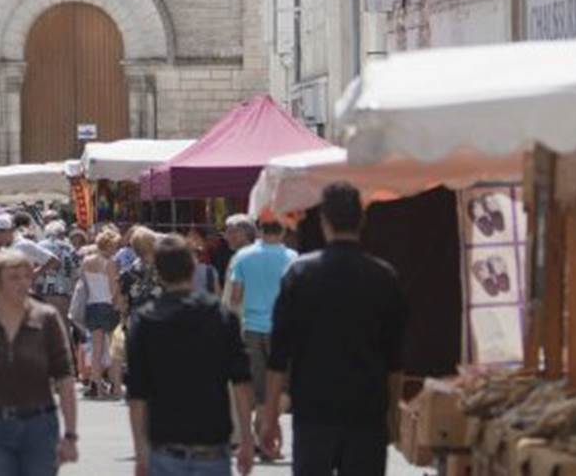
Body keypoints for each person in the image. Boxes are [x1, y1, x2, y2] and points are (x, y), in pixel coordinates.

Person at [260, 183, 409, 476]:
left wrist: (270, 415)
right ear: (362, 219)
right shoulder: (384, 277)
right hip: (367, 412)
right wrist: (392, 415)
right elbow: (395, 359)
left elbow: (279, 355)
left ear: (324, 220)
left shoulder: (300, 275)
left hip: (313, 411)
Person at [126, 236, 255, 476]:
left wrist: (140, 451)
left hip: (165, 448)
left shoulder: (145, 321)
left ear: (159, 273)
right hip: (212, 446)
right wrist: (247, 438)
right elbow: (241, 382)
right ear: (193, 267)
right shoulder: (220, 316)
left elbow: (137, 393)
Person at [0, 248, 79, 476]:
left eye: (27, 275)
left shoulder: (47, 319)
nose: (23, 283)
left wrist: (70, 436)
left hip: (39, 427)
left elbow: (65, 379)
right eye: (14, 277)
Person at [227, 219, 298, 444]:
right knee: (284, 385)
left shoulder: (243, 257)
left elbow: (235, 297)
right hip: (283, 329)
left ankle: (262, 423)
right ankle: (270, 421)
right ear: (284, 230)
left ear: (259, 230)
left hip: (252, 328)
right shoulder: (292, 259)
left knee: (258, 386)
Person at [78, 229, 123, 398]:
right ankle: (116, 386)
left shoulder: (86, 261)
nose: (116, 249)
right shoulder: (109, 263)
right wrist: (119, 301)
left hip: (92, 305)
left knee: (96, 349)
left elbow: (84, 284)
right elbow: (113, 289)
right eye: (115, 246)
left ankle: (97, 386)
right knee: (114, 349)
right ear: (110, 245)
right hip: (108, 306)